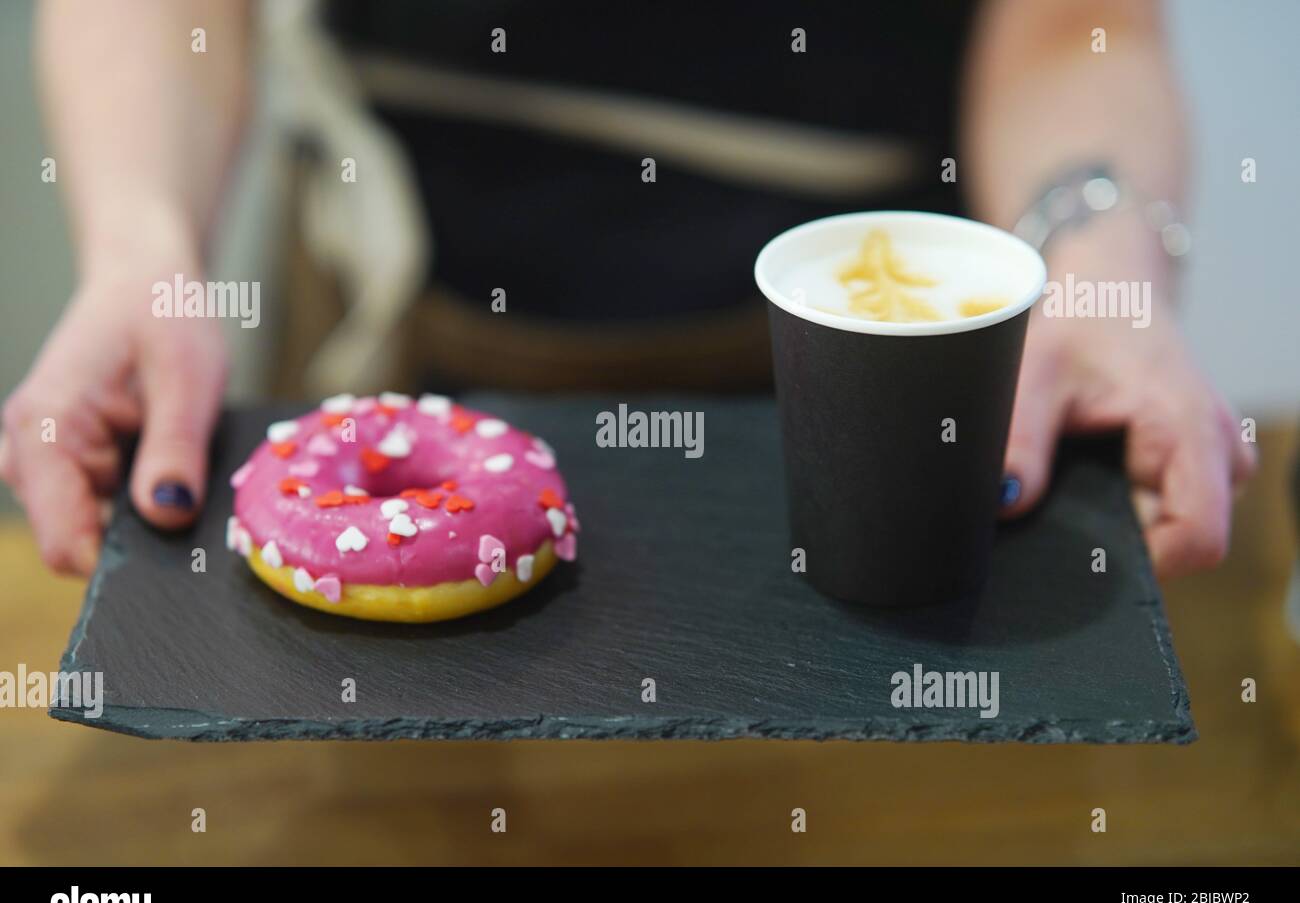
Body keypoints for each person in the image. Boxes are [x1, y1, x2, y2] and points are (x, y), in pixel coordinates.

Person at [0, 0, 1255, 579]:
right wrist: (141, 242)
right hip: (399, 305)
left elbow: (1078, 26)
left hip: (874, 362)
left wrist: (1093, 263)